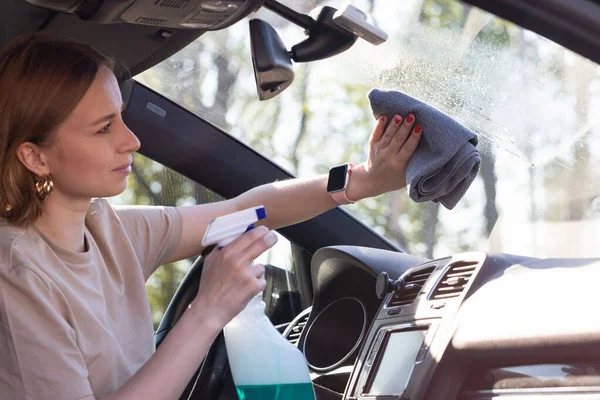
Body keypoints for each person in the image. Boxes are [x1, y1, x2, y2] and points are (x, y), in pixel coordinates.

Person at [0, 33, 422, 400]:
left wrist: (363, 180)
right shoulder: (17, 274)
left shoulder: (109, 228)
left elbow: (249, 210)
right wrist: (209, 309)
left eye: (121, 118)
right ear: (35, 156)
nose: (131, 140)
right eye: (103, 127)